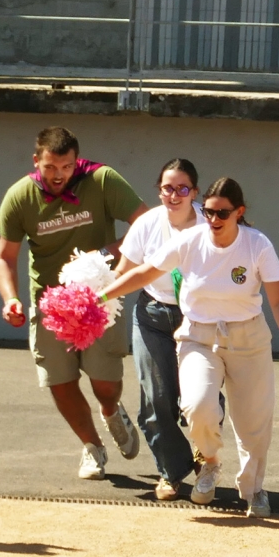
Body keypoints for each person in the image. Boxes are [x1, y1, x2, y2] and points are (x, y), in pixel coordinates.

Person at [100, 177, 279, 518]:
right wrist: (100, 296)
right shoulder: (190, 240)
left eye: (222, 213)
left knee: (253, 423)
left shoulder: (257, 245)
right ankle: (210, 462)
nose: (214, 219)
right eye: (210, 212)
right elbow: (144, 273)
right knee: (197, 406)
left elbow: (278, 301)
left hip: (248, 338)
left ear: (239, 212)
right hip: (198, 336)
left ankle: (254, 489)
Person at [0, 125, 148, 482]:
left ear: (76, 161)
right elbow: (4, 257)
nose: (58, 175)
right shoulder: (19, 196)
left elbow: (146, 225)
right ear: (36, 161)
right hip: (50, 305)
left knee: (104, 382)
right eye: (50, 167)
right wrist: (11, 299)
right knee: (59, 381)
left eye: (66, 167)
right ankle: (92, 447)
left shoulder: (103, 180)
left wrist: (104, 254)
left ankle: (111, 410)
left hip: (100, 298)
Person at [113, 158, 201, 501]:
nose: (174, 195)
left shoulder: (209, 223)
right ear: (159, 191)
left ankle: (205, 451)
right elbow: (124, 270)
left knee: (199, 397)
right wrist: (92, 295)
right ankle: (171, 472)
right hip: (152, 314)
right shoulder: (147, 223)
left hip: (199, 318)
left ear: (194, 192)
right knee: (155, 398)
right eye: (167, 188)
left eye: (182, 189)